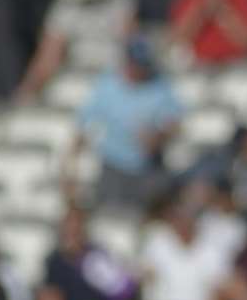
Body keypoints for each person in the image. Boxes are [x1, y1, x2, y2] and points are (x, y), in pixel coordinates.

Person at [76, 36, 184, 209]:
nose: (138, 70)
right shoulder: (107, 84)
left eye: (142, 65)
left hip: (149, 167)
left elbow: (174, 124)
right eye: (135, 64)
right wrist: (73, 159)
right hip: (113, 164)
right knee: (110, 215)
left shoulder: (160, 85)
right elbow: (85, 122)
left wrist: (158, 137)